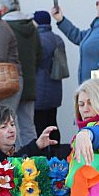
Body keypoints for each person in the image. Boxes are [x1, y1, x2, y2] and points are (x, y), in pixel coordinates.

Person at [0, 0, 42, 147]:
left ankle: (16, 157)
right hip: (29, 81)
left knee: (10, 123)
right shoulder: (32, 26)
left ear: (3, 9)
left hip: (10, 81)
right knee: (28, 124)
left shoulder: (4, 27)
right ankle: (35, 157)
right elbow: (39, 54)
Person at [33, 10, 66, 138]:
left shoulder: (38, 40)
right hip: (55, 89)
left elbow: (34, 63)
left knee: (40, 125)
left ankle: (45, 149)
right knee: (52, 121)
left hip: (40, 89)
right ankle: (56, 148)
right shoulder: (58, 39)